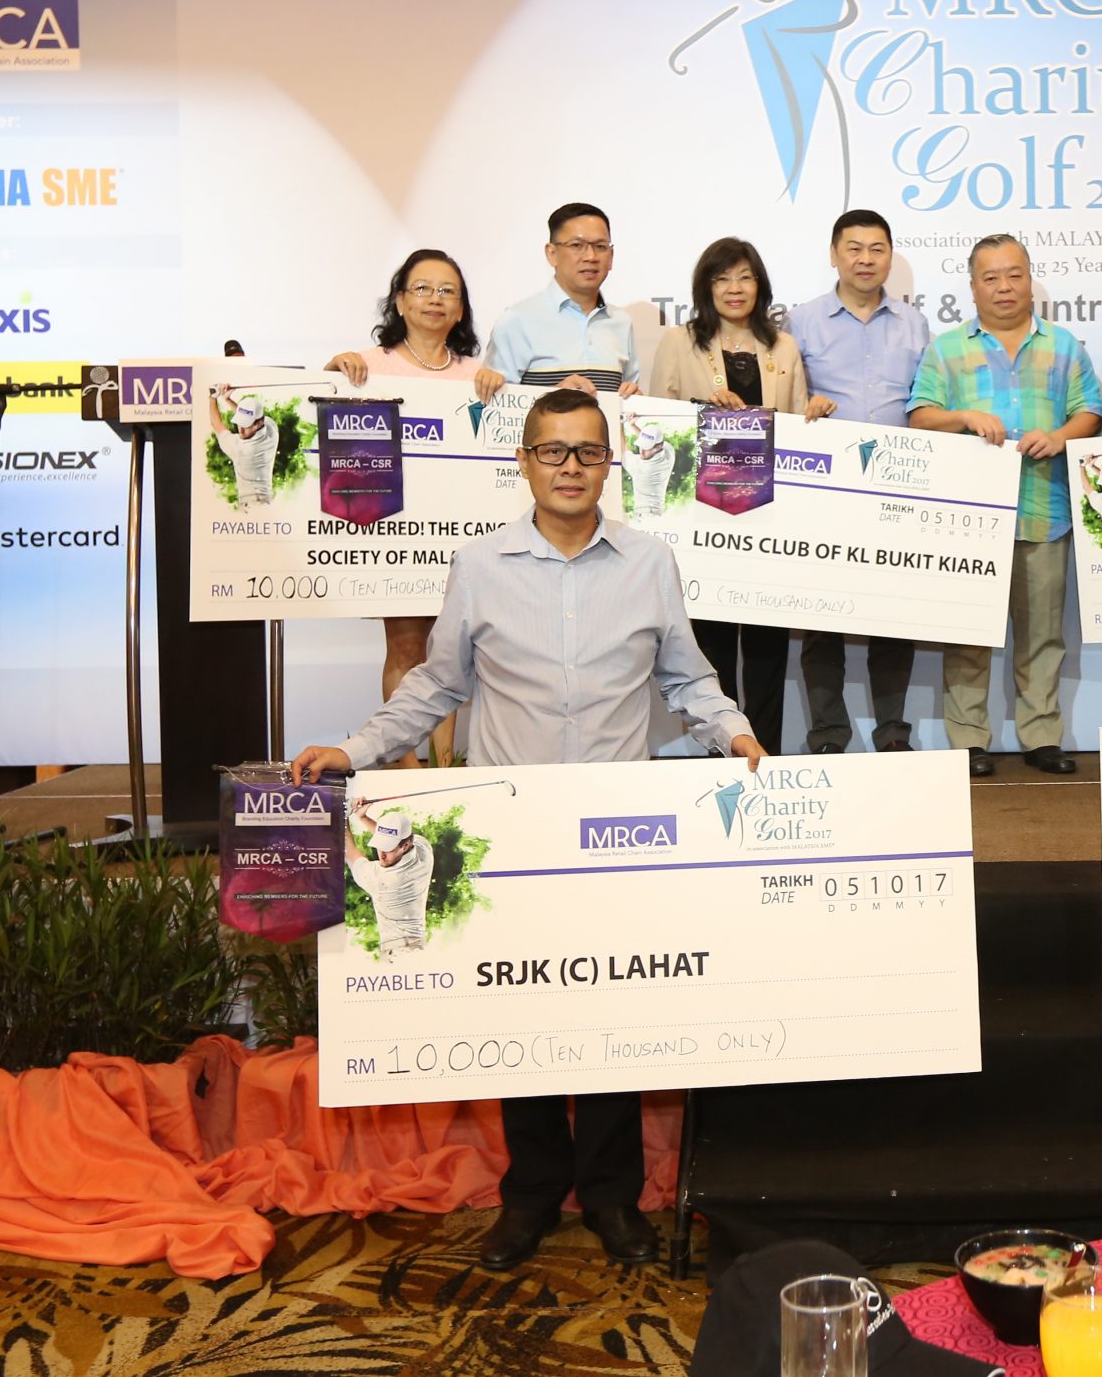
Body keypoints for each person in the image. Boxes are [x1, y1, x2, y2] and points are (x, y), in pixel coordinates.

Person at [289, 388, 766, 1271]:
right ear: (525, 461)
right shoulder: (480, 565)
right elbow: (438, 684)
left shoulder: (650, 562)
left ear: (609, 464)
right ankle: (532, 1194)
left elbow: (686, 679)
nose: (570, 467)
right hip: (513, 829)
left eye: (587, 451)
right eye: (553, 451)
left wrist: (733, 733)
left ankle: (614, 1197)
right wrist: (354, 750)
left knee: (614, 1010)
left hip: (620, 829)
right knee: (521, 1007)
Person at [908, 235, 1102, 777]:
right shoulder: (947, 349)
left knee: (1042, 636)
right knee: (969, 634)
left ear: (1029, 279)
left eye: (1014, 274)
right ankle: (969, 741)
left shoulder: (1064, 346)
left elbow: (1091, 410)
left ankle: (1041, 737)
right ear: (973, 287)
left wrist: (1060, 436)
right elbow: (919, 416)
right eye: (990, 277)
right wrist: (963, 417)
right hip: (969, 520)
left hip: (1045, 509)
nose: (1003, 287)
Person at [324, 247, 490, 766]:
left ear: (460, 309)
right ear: (399, 301)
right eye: (422, 289)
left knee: (450, 655)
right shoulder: (367, 366)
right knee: (404, 647)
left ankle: (443, 766)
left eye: (447, 291)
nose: (434, 299)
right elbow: (321, 413)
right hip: (394, 533)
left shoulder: (478, 374)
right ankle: (405, 765)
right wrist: (332, 371)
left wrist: (502, 388)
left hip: (459, 537)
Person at [648, 237, 811, 753]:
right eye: (722, 279)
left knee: (767, 646)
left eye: (744, 277)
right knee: (710, 646)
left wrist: (816, 416)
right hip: (703, 516)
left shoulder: (783, 347)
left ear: (760, 285)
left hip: (770, 515)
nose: (734, 288)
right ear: (705, 287)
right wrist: (703, 408)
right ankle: (718, 752)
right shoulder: (679, 342)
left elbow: (797, 431)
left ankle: (767, 756)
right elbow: (655, 426)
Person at [789, 209, 932, 755]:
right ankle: (828, 733)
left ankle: (893, 732)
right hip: (824, 493)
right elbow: (785, 399)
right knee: (821, 620)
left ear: (890, 256)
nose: (865, 259)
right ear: (834, 254)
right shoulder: (801, 321)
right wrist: (805, 408)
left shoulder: (915, 324)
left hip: (899, 489)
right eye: (854, 248)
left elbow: (927, 401)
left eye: (877, 249)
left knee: (894, 618)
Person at [478, 201, 644, 400]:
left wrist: (635, 398)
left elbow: (630, 399)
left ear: (611, 256)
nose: (591, 256)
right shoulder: (517, 320)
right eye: (577, 246)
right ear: (552, 254)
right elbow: (495, 408)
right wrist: (553, 397)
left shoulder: (621, 322)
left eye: (600, 247)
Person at [344, 803, 434, 961]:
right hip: (417, 948)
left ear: (405, 845)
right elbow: (395, 838)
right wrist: (363, 817)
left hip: (397, 955)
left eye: (388, 848)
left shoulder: (382, 879)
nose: (382, 855)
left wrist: (342, 815)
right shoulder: (423, 850)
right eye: (380, 845)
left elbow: (349, 851)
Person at [205, 385, 278, 511]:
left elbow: (216, 424)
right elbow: (251, 416)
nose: (241, 430)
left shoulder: (242, 450)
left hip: (249, 507)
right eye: (239, 423)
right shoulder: (272, 430)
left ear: (258, 423)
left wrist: (213, 397)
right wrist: (228, 400)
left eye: (246, 425)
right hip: (266, 503)